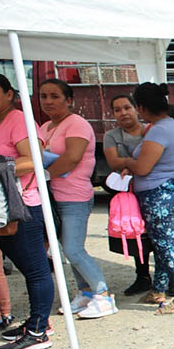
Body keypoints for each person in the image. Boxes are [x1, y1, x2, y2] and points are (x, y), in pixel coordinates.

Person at [0, 73, 55, 349]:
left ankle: (38, 333)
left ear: (9, 94)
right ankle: (37, 322)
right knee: (26, 267)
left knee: (35, 270)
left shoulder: (18, 120)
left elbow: (33, 160)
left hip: (23, 206)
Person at [37, 79, 116, 319]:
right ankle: (85, 292)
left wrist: (45, 175)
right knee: (67, 248)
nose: (48, 101)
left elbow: (72, 158)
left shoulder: (77, 124)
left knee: (73, 249)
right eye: (43, 96)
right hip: (53, 196)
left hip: (74, 196)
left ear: (69, 100)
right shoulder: (45, 127)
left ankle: (103, 295)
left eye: (55, 96)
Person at [116, 83, 174, 314]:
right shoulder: (166, 125)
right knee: (161, 244)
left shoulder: (159, 130)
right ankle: (159, 289)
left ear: (140, 107)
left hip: (158, 194)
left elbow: (143, 167)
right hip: (166, 191)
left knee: (166, 246)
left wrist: (127, 162)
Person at [103, 94, 153, 295]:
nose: (123, 113)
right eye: (117, 110)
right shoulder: (111, 136)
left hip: (152, 189)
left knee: (160, 235)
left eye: (127, 107)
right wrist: (135, 164)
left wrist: (127, 164)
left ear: (136, 109)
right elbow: (112, 162)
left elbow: (155, 158)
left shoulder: (150, 131)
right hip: (128, 194)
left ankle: (166, 276)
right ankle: (143, 277)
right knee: (136, 234)